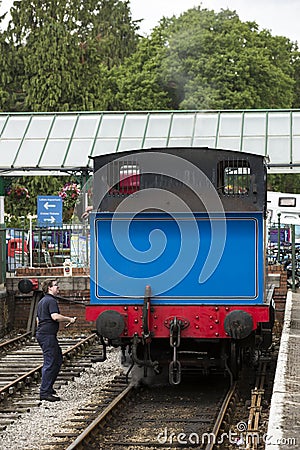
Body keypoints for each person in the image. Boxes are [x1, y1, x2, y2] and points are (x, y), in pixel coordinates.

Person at [36, 279, 77, 402]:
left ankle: (48, 387)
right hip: (47, 335)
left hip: (45, 334)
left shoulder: (42, 301)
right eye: (55, 286)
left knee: (58, 359)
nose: (58, 288)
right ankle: (44, 392)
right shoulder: (51, 301)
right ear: (49, 288)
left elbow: (38, 319)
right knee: (50, 362)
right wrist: (69, 319)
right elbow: (55, 316)